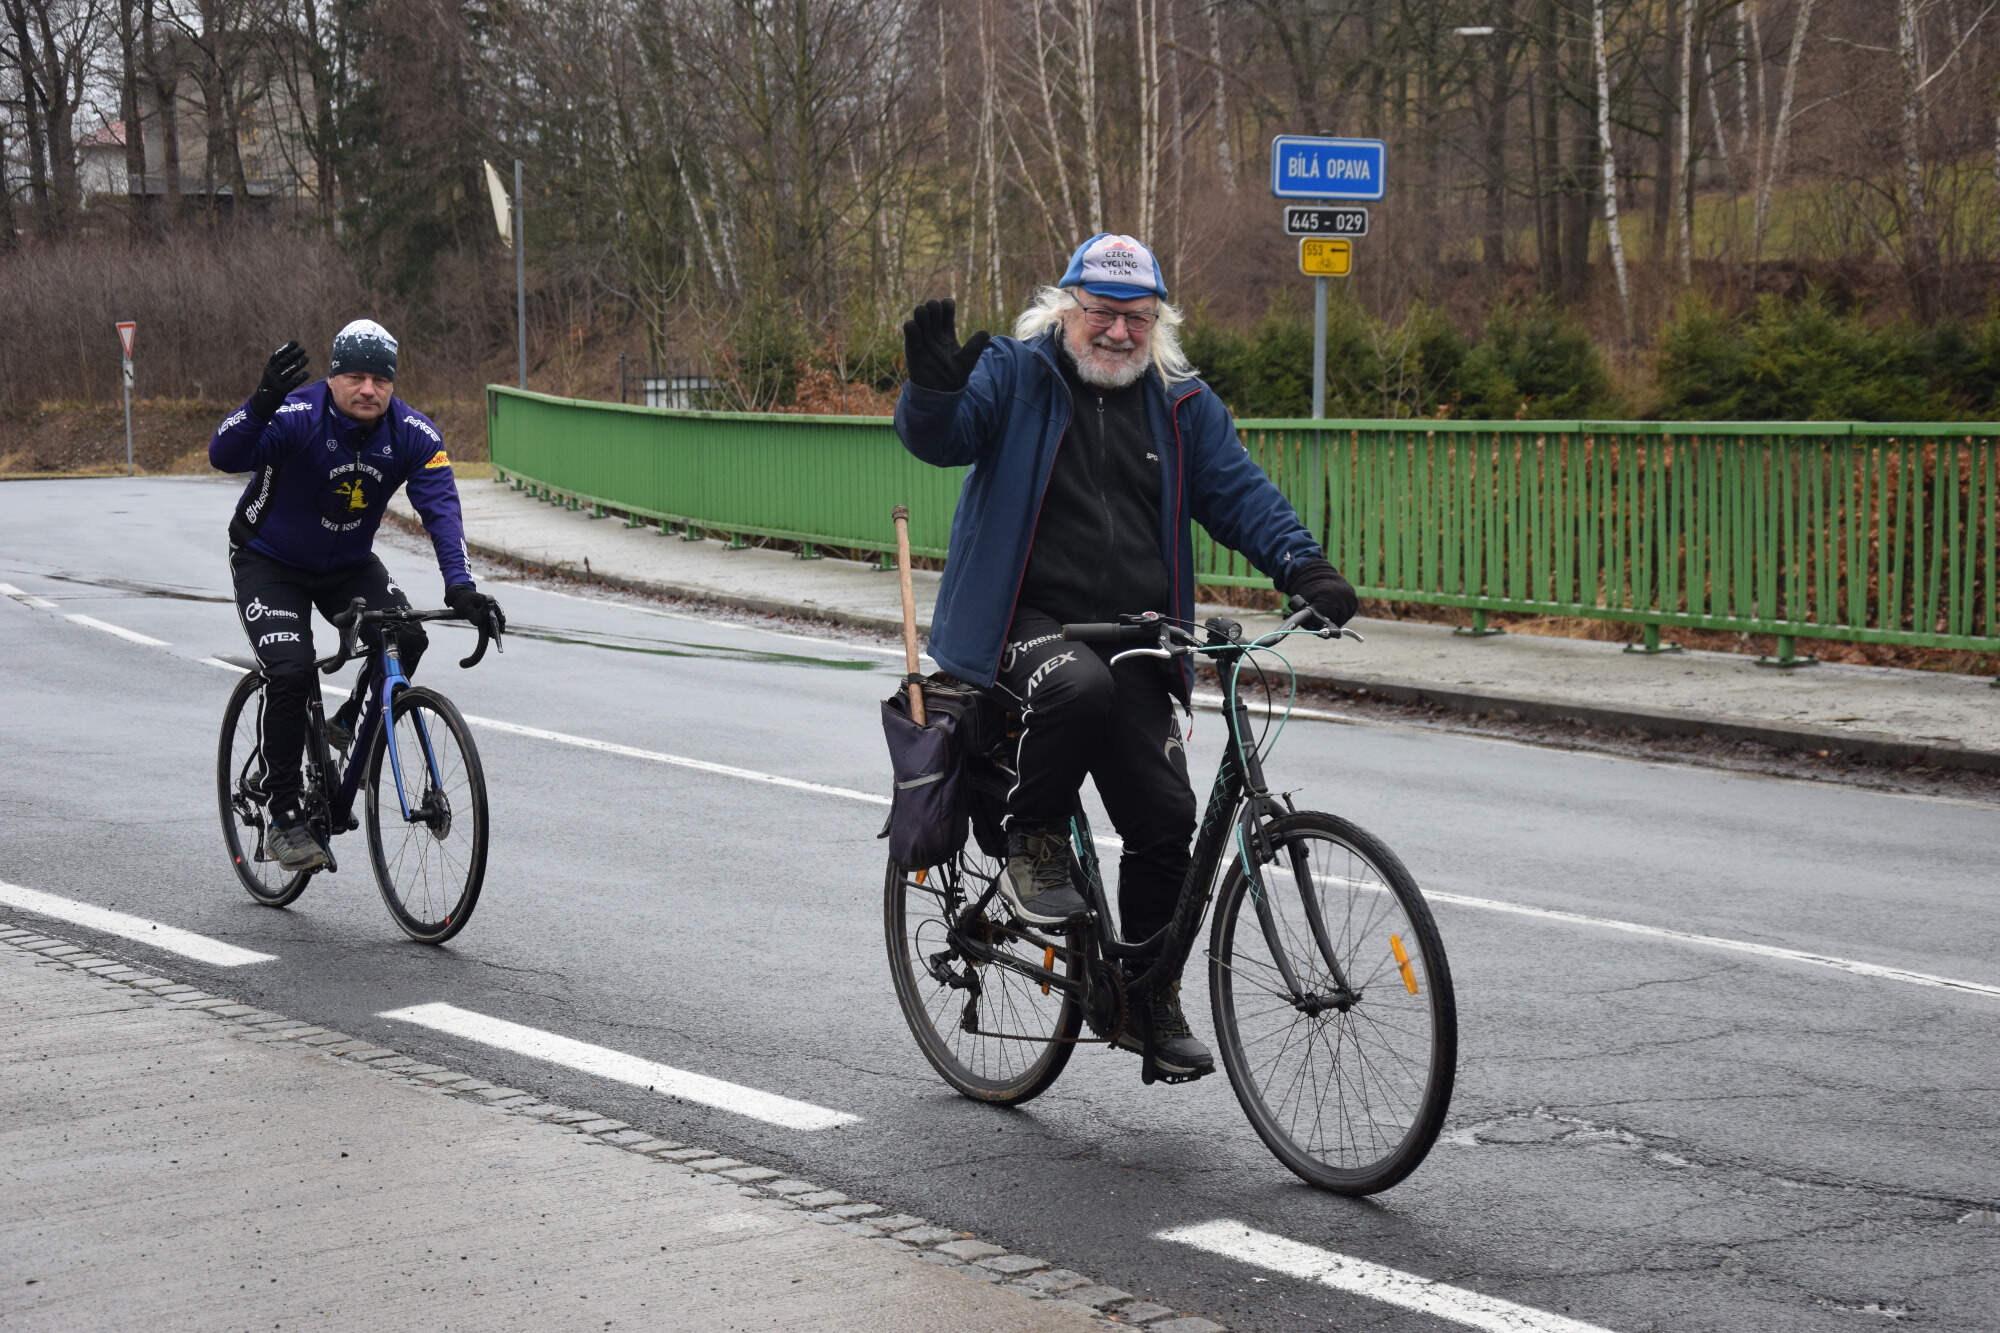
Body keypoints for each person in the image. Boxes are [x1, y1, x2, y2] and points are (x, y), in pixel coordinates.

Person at [894, 234, 1358, 1079]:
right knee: (1075, 689)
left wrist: (1303, 564)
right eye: (1102, 314)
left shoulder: (1180, 403)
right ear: (1068, 308)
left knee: (1166, 818)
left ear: (1157, 323)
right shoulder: (1015, 374)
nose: (1117, 333)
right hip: (1022, 621)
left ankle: (1145, 998)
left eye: (1135, 319)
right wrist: (930, 386)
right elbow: (943, 437)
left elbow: (1239, 493)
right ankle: (1030, 834)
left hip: (1140, 631)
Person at [210, 319, 505, 873]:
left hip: (346, 564)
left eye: (381, 379)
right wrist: (263, 399)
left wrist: (461, 588)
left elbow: (442, 509)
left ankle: (349, 726)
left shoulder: (414, 432)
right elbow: (225, 454)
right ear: (334, 377)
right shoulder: (299, 414)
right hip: (268, 560)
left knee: (407, 638)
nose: (368, 389)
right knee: (293, 671)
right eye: (356, 377)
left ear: (393, 385)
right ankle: (283, 812)